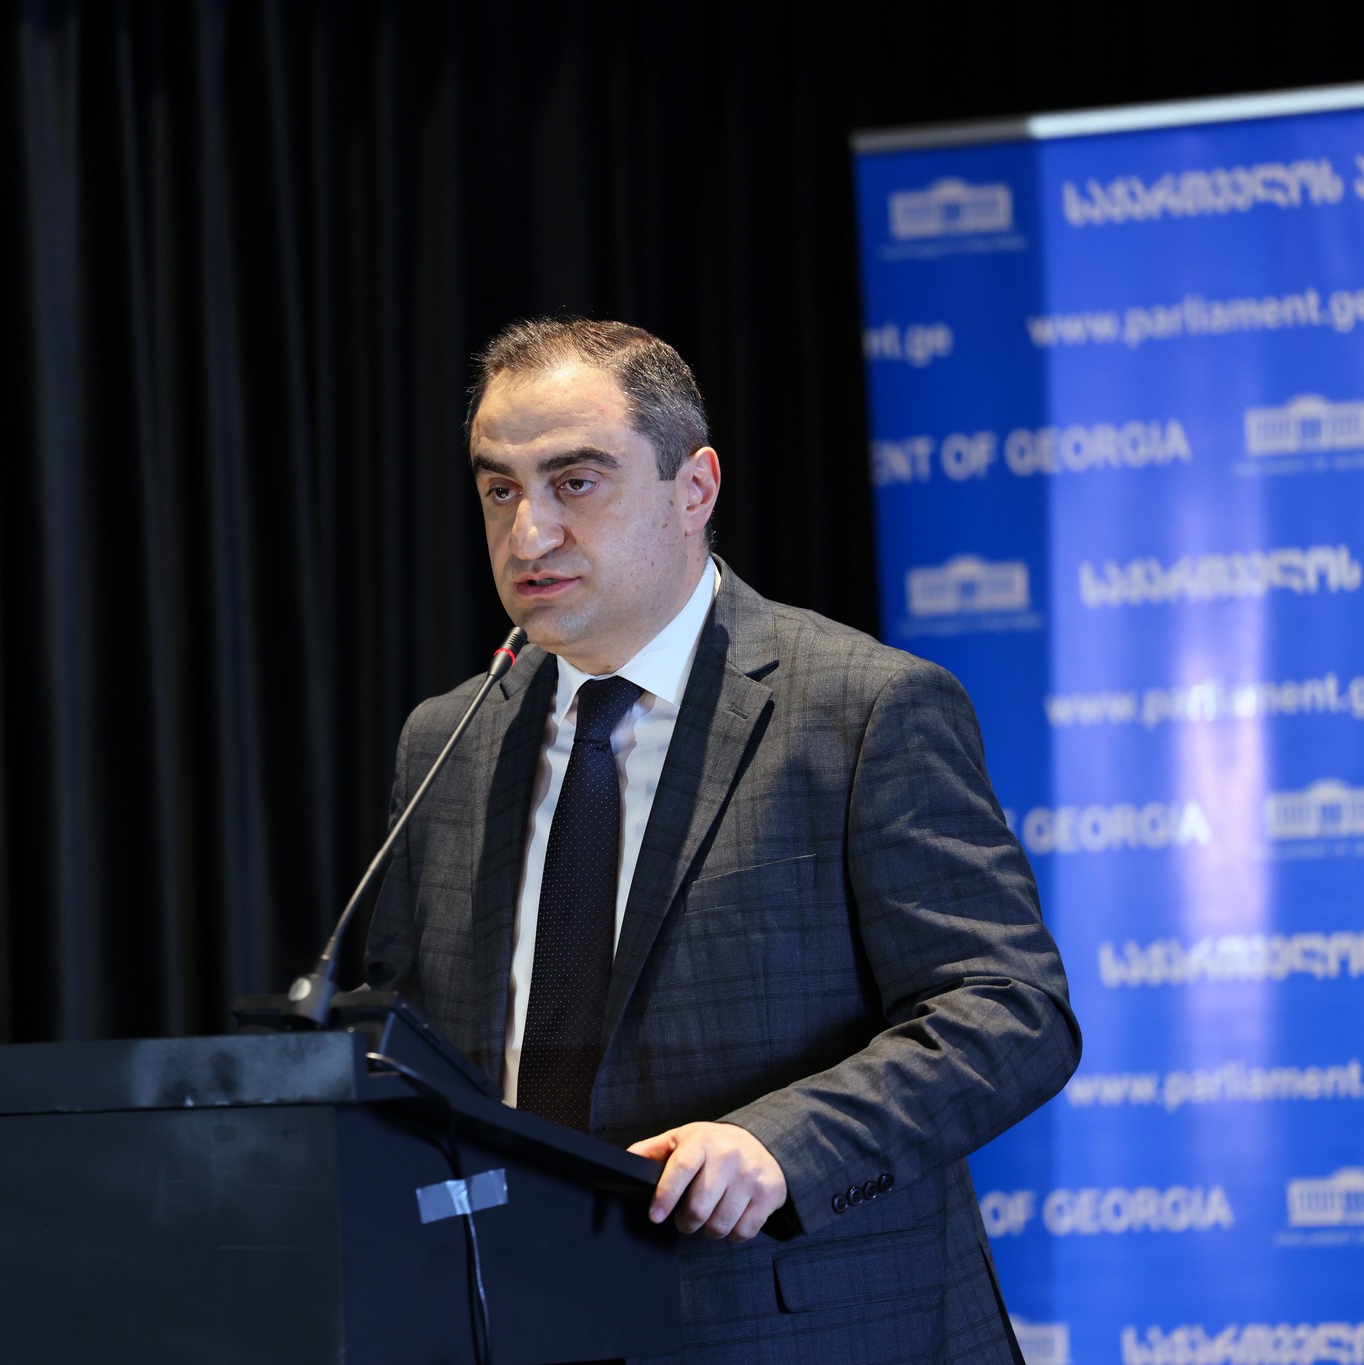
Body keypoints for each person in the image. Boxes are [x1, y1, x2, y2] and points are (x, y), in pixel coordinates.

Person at [364, 318, 1080, 1362]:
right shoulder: (449, 738)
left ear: (692, 488)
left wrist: (777, 1144)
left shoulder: (861, 709)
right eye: (500, 489)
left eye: (575, 482)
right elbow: (403, 1042)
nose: (527, 535)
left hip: (799, 1329)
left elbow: (1009, 1011)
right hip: (515, 1323)